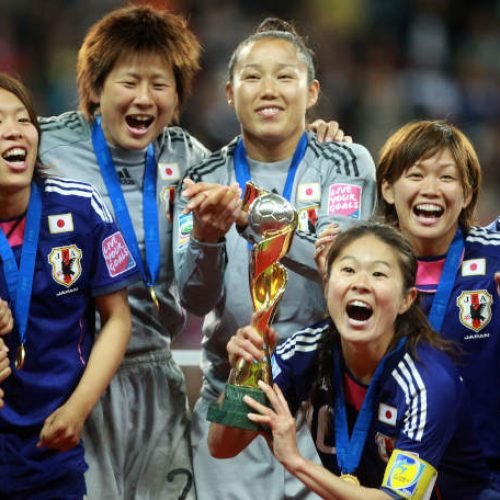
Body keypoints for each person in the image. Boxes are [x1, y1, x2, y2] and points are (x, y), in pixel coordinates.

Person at [174, 17, 376, 500]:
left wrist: (252, 217)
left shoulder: (345, 164)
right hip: (231, 393)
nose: (269, 89)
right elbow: (194, 298)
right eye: (252, 76)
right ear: (229, 93)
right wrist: (205, 234)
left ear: (312, 92)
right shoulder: (203, 175)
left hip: (322, 402)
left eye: (285, 76)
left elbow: (342, 271)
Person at [37, 5, 207, 499]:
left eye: (160, 85)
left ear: (177, 97)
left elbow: (263, 161)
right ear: (94, 87)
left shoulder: (189, 158)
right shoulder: (46, 144)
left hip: (158, 372)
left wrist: (319, 136)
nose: (144, 98)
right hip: (72, 373)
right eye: (129, 82)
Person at [210, 222, 492, 499]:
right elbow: (221, 446)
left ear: (407, 300)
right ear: (327, 285)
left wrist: (296, 461)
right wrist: (244, 372)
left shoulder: (429, 382)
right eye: (348, 269)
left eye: (379, 274)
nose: (360, 283)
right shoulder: (304, 350)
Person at [0, 73, 138, 498]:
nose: (13, 130)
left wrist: (78, 409)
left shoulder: (83, 207)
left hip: (52, 443)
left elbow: (118, 319)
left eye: (23, 119)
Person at [375, 120, 500, 495]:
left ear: (467, 194)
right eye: (415, 174)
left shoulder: (494, 256)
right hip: (387, 479)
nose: (430, 190)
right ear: (387, 188)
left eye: (447, 177)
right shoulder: (361, 264)